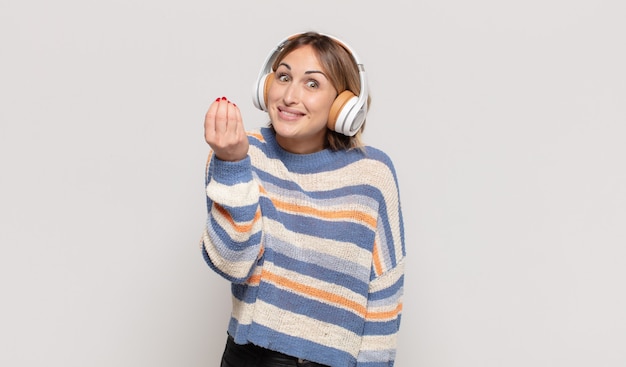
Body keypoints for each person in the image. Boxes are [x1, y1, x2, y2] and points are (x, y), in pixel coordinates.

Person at [200, 31, 406, 367]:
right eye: (283, 77)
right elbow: (232, 263)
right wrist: (232, 164)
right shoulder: (240, 154)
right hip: (252, 357)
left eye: (312, 84)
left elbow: (384, 291)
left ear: (344, 104)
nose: (290, 95)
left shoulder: (373, 174)